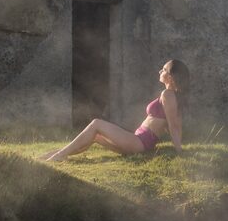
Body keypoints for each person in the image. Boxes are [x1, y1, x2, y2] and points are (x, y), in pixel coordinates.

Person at [41, 59, 189, 162]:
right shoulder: (171, 96)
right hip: (137, 141)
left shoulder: (168, 94)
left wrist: (179, 151)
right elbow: (174, 123)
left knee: (96, 123)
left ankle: (59, 155)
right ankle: (56, 154)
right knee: (96, 136)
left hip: (139, 143)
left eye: (163, 69)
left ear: (170, 77)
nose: (159, 71)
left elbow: (174, 125)